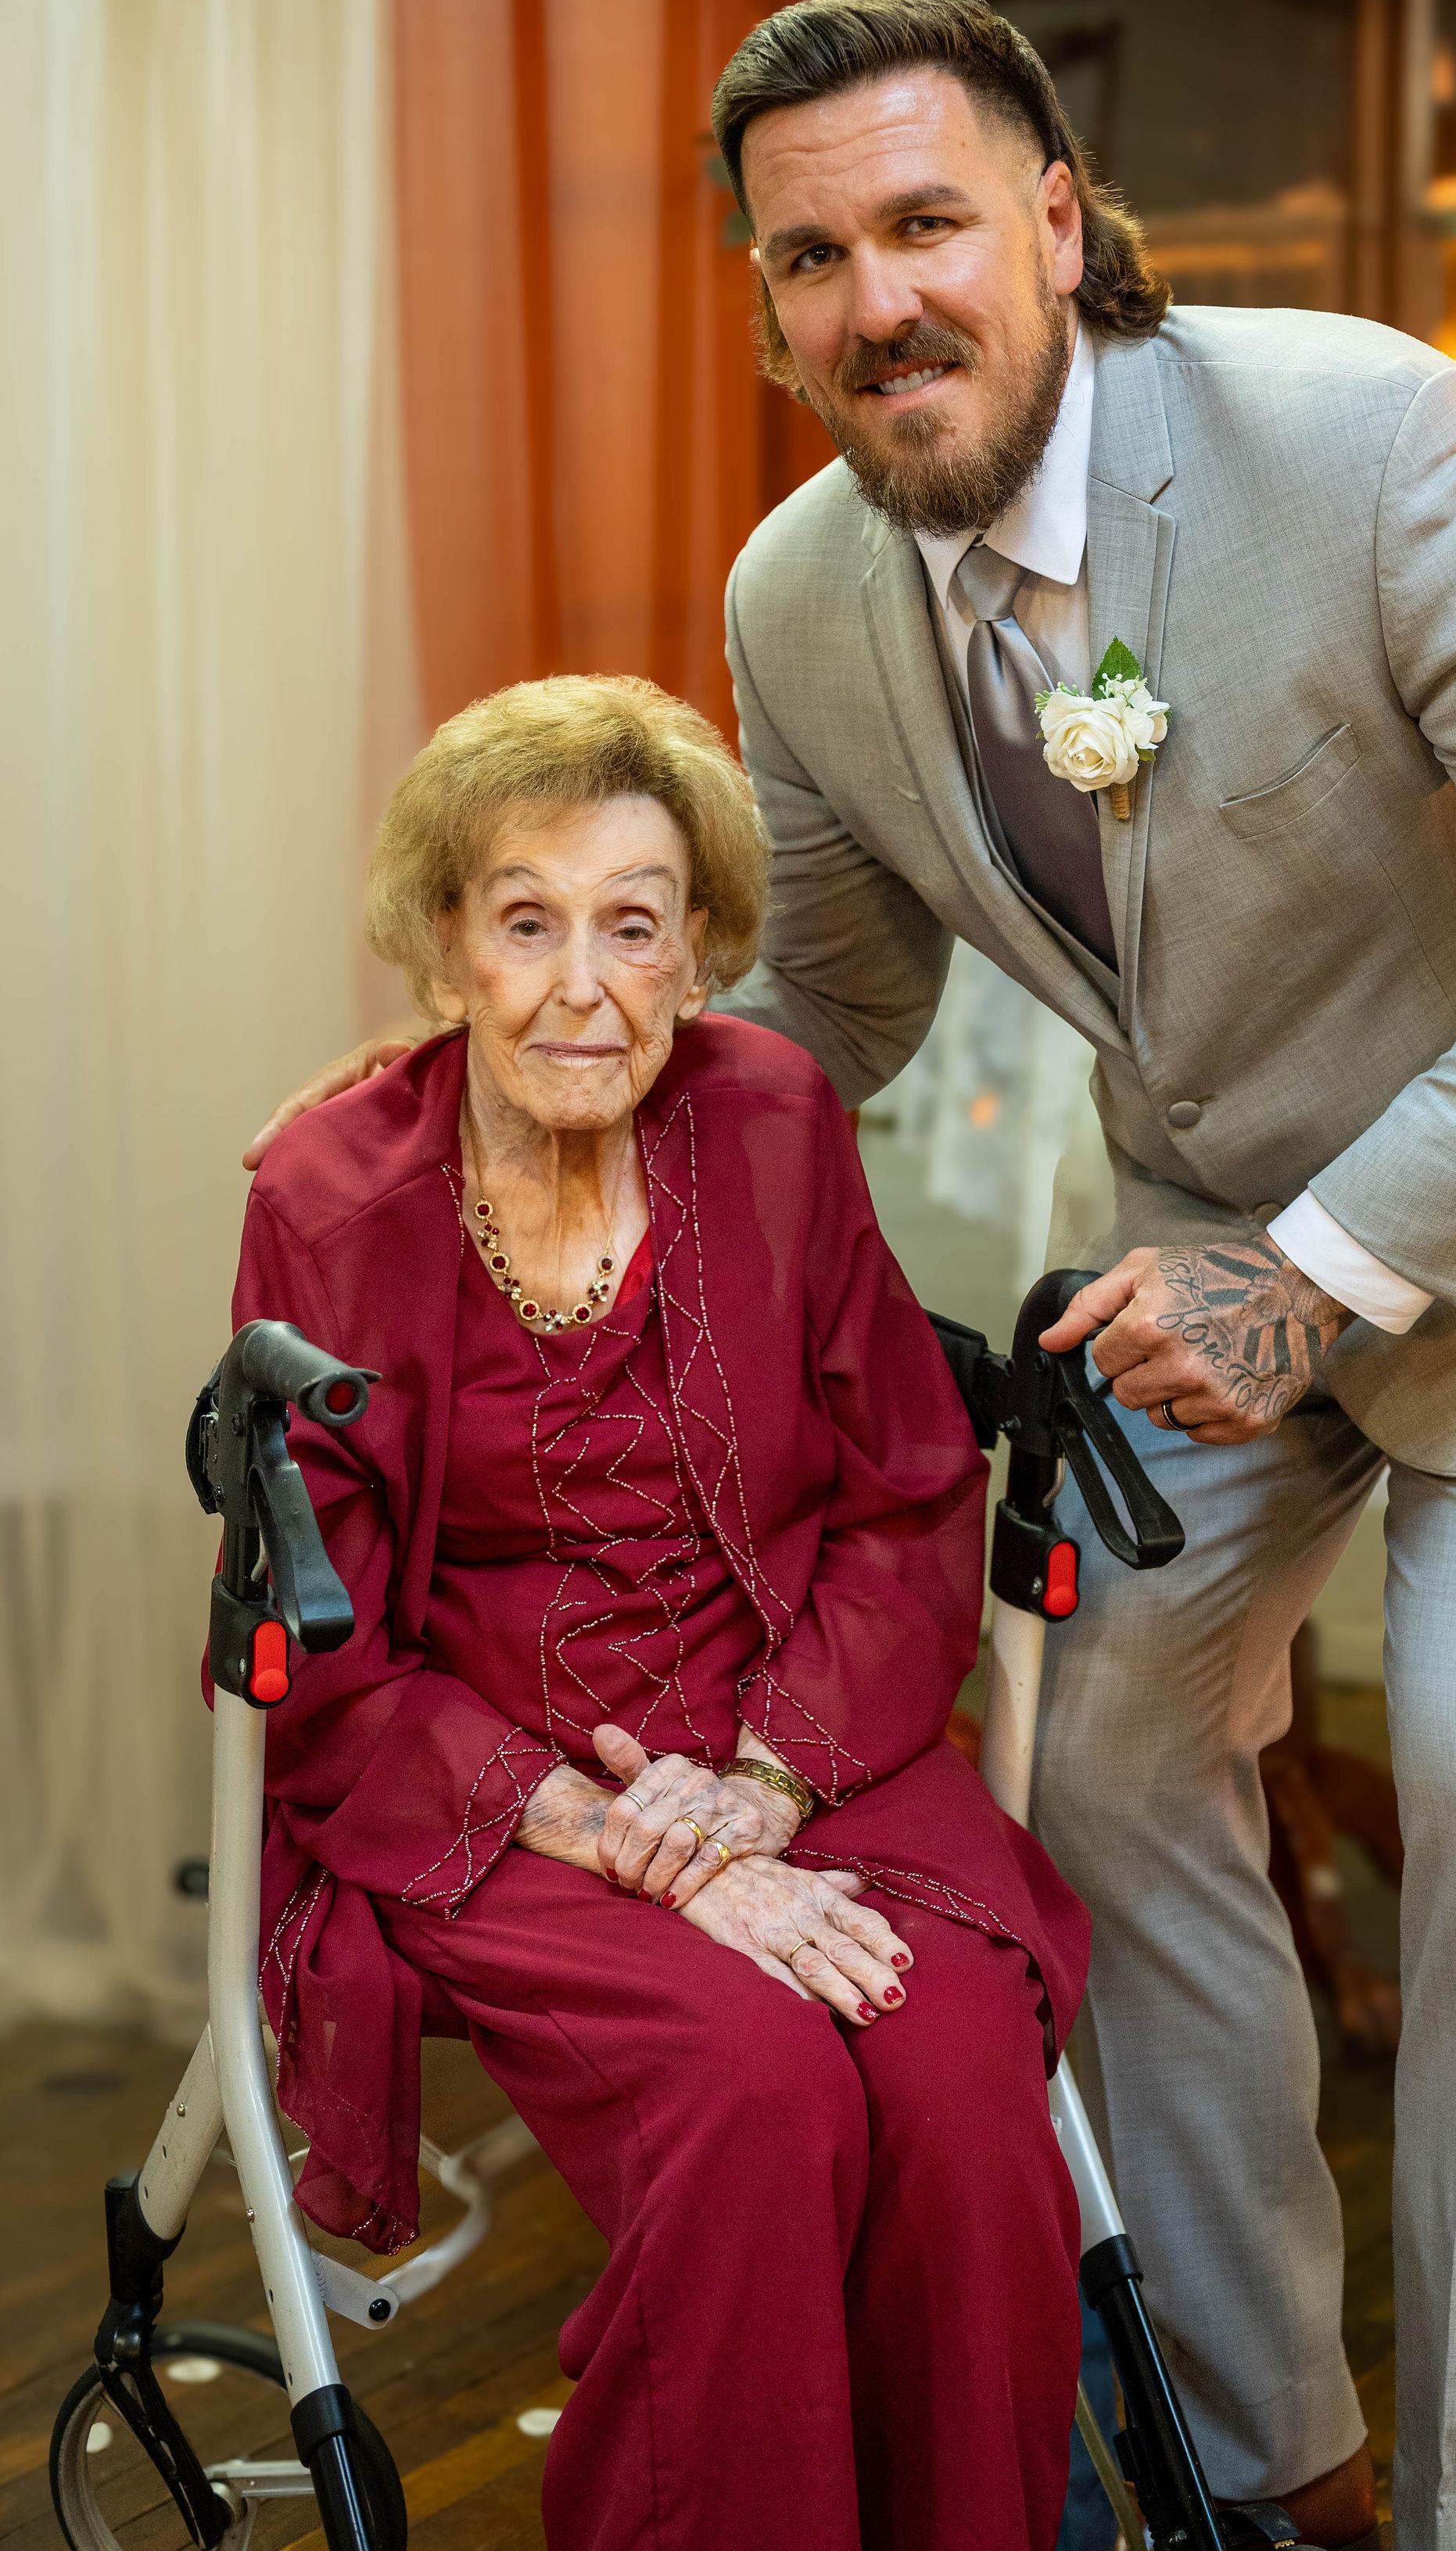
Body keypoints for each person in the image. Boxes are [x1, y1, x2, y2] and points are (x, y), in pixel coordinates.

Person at [256, 0, 1456, 2551]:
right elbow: (814, 1013)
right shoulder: (801, 599)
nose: (883, 302)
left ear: (1059, 222)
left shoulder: (1370, 441)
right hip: (1199, 1239)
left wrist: (1318, 1275)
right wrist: (475, 1132)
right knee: (1094, 1762)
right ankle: (1270, 2453)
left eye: (931, 224)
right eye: (815, 257)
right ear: (768, 302)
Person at [234, 673, 1088, 2551]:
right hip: (487, 1778)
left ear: (700, 950)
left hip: (801, 1724)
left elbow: (905, 1500)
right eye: (524, 920)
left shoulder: (773, 1116)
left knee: (950, 2077)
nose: (580, 985)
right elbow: (336, 1646)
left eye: (634, 923)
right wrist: (645, 1845)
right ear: (443, 942)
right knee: (754, 2082)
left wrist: (767, 1788)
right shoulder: (329, 1195)